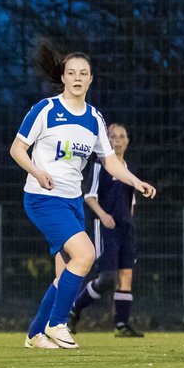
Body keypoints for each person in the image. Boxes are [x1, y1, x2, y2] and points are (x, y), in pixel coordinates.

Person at [10, 43, 156, 350]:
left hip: (72, 202)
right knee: (86, 256)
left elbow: (110, 161)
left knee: (65, 273)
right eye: (71, 72)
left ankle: (35, 334)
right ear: (63, 77)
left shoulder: (93, 118)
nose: (77, 78)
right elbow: (17, 149)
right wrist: (37, 172)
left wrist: (135, 180)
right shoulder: (45, 110)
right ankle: (58, 324)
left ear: (91, 79)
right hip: (42, 198)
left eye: (83, 73)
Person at [67, 123, 144, 337]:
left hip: (126, 229)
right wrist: (103, 215)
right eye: (113, 137)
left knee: (126, 275)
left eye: (122, 136)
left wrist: (129, 220)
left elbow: (131, 202)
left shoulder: (127, 169)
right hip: (106, 228)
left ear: (127, 140)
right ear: (107, 141)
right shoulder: (101, 165)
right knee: (108, 278)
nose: (117, 140)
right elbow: (89, 196)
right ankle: (75, 309)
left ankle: (121, 325)